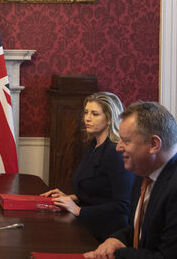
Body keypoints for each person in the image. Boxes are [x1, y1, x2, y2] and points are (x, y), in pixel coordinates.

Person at [85, 101, 177, 259]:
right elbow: (139, 229)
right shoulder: (144, 173)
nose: (118, 147)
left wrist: (116, 255)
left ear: (154, 144)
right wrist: (116, 239)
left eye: (126, 141)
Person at [40, 92, 135, 241]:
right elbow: (99, 193)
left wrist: (78, 210)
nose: (87, 118)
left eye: (95, 114)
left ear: (109, 118)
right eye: (86, 112)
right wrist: (70, 198)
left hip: (108, 232)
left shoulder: (115, 152)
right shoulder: (94, 145)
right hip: (89, 223)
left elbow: (122, 205)